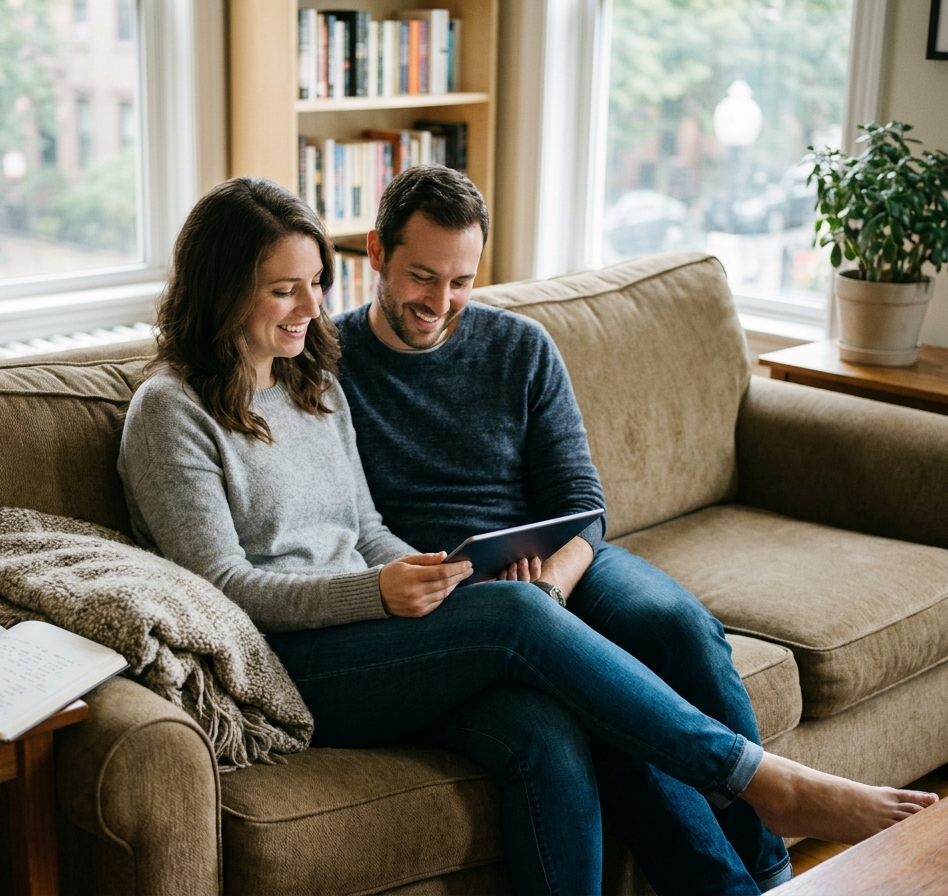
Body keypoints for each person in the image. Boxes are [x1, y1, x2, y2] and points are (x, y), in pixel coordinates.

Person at [117, 175, 936, 896]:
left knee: (550, 734)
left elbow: (363, 526)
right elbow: (218, 586)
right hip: (289, 661)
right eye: (282, 291)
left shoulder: (310, 382)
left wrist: (430, 576)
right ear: (224, 289)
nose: (309, 310)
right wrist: (381, 592)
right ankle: (758, 780)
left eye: (313, 285)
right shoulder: (172, 410)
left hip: (379, 633)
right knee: (518, 619)